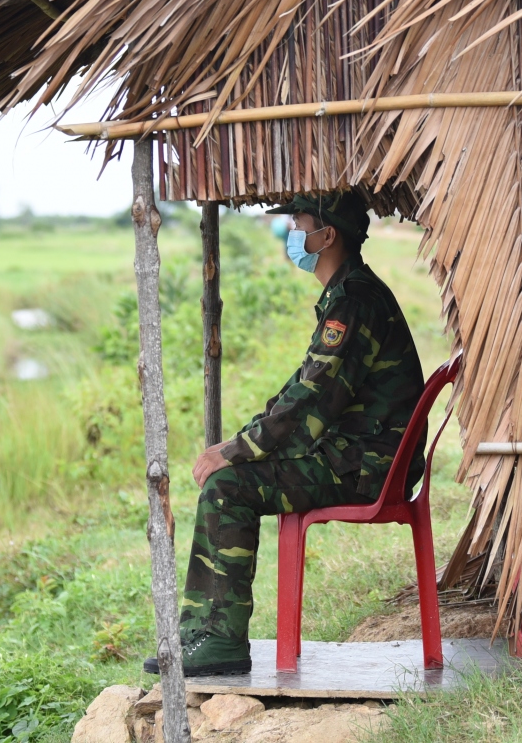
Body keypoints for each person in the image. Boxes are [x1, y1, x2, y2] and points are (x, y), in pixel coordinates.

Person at [144, 191, 426, 676]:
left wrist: (237, 453)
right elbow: (301, 388)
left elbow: (310, 403)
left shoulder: (353, 302)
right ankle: (201, 632)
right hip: (355, 457)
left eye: (297, 224)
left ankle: (220, 642)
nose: (290, 235)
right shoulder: (348, 293)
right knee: (230, 474)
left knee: (228, 488)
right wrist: (239, 444)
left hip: (365, 469)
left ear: (326, 235)